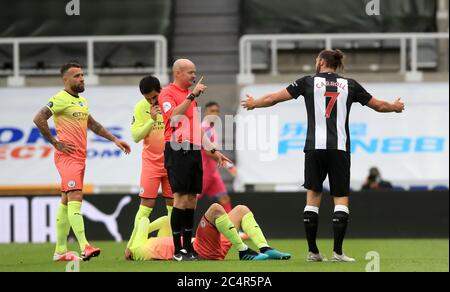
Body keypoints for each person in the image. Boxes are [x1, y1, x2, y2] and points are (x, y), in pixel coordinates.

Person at [241, 49, 405, 262]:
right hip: (339, 149)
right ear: (336, 65)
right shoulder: (350, 85)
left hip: (314, 148)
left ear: (321, 62)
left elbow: (274, 98)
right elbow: (379, 105)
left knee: (312, 198)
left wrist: (255, 103)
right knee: (341, 199)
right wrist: (394, 107)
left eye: (316, 60)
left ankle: (313, 252)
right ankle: (338, 253)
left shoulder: (307, 82)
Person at [33, 62, 131, 261]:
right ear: (66, 79)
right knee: (75, 198)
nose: (82, 78)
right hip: (67, 157)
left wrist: (115, 139)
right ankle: (84, 246)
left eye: (82, 75)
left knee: (66, 201)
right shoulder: (60, 99)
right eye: (77, 75)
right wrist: (54, 142)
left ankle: (60, 251)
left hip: (79, 158)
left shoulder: (81, 102)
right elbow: (39, 118)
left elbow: (93, 124)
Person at [158, 59, 232, 261]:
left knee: (191, 200)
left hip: (193, 150)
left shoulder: (190, 98)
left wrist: (214, 150)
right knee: (180, 198)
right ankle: (177, 250)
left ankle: (188, 248)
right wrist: (191, 96)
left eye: (194, 72)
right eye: (190, 72)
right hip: (177, 148)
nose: (193, 76)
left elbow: (196, 129)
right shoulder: (168, 93)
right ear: (178, 73)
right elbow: (172, 118)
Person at [126, 203, 291, 261]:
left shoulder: (152, 244)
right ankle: (243, 251)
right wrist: (130, 244)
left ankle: (265, 248)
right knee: (215, 209)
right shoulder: (138, 248)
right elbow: (143, 220)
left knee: (241, 209)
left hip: (211, 246)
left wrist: (145, 231)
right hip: (200, 249)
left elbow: (164, 221)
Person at [124, 76, 174, 260]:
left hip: (171, 162)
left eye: (154, 97)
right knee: (146, 207)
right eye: (148, 98)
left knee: (173, 206)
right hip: (151, 164)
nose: (152, 101)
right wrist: (151, 120)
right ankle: (131, 246)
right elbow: (136, 136)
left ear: (160, 90)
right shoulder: (140, 107)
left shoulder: (170, 103)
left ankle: (173, 244)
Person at [198, 101, 237, 213]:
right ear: (206, 112)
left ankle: (230, 229)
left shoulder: (212, 128)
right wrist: (230, 166)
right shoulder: (203, 129)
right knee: (190, 202)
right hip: (202, 173)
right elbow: (208, 152)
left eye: (217, 111)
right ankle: (180, 229)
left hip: (212, 174)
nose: (215, 114)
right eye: (212, 111)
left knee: (224, 199)